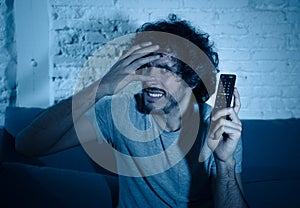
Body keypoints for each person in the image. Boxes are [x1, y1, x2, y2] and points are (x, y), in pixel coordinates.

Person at [16, 14, 248, 207]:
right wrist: (101, 87)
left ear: (192, 79)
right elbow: (27, 145)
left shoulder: (217, 126)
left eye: (164, 70)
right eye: (146, 66)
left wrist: (224, 162)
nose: (150, 78)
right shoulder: (118, 112)